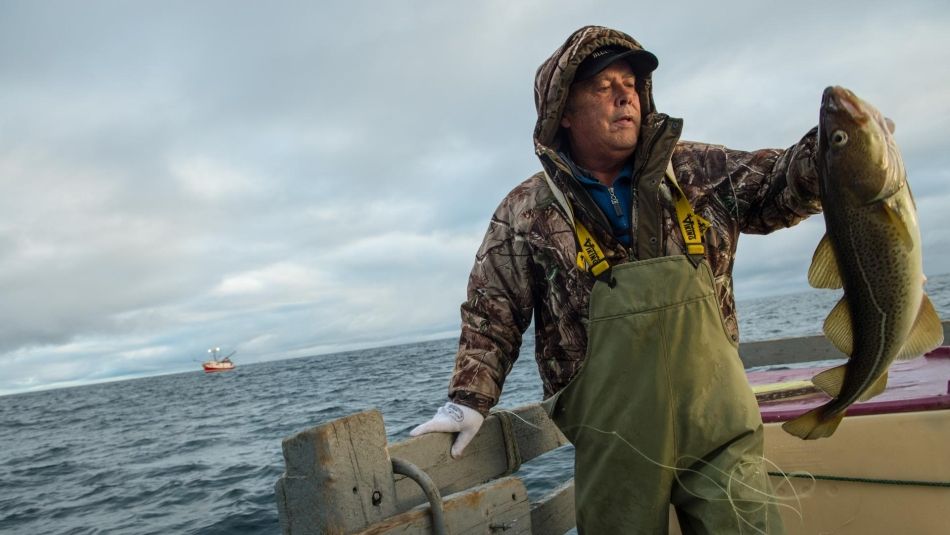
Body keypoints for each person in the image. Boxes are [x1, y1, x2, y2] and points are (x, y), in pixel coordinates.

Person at [411, 25, 821, 533]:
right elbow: (491, 311)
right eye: (603, 87)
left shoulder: (697, 171)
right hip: (613, 444)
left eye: (631, 83)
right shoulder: (527, 211)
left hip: (719, 431)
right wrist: (468, 400)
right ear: (563, 110)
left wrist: (836, 152)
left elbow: (783, 184)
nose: (625, 94)